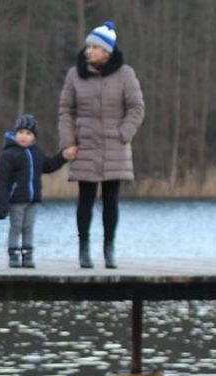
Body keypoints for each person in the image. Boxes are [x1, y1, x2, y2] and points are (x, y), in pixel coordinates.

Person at [58, 20, 145, 269]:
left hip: (115, 145)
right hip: (84, 144)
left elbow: (137, 107)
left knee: (111, 200)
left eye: (94, 47)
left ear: (107, 51)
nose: (89, 51)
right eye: (88, 47)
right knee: (84, 199)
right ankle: (83, 248)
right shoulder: (75, 75)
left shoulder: (125, 74)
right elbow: (65, 111)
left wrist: (123, 133)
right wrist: (68, 142)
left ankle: (109, 248)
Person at [0, 113, 73, 268]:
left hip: (33, 200)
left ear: (34, 137)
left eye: (28, 133)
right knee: (16, 226)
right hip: (16, 199)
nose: (24, 136)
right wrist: (1, 207)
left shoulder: (37, 153)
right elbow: (1, 182)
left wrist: (63, 157)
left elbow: (49, 166)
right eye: (21, 132)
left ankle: (28, 255)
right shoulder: (9, 154)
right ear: (15, 134)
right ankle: (13, 255)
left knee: (28, 226)